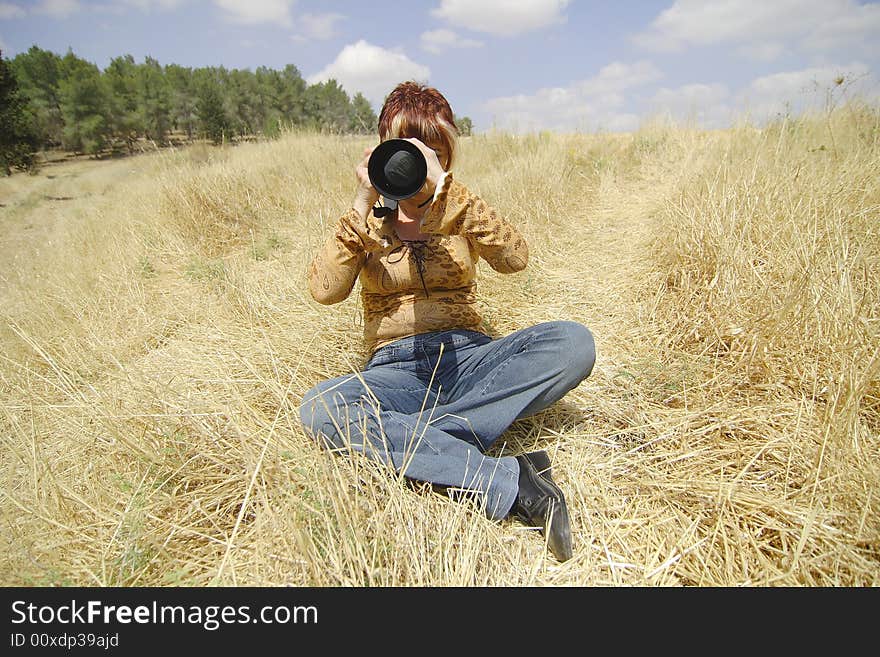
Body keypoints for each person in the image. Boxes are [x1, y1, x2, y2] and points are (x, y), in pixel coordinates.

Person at [299, 81, 595, 561]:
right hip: (394, 369)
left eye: (434, 150)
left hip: (471, 356)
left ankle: (411, 437)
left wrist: (447, 191)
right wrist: (363, 198)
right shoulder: (369, 222)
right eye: (406, 150)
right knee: (322, 410)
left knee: (573, 343)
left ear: (448, 154)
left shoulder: (456, 207)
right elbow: (324, 290)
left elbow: (515, 258)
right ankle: (512, 480)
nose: (417, 161)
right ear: (381, 148)